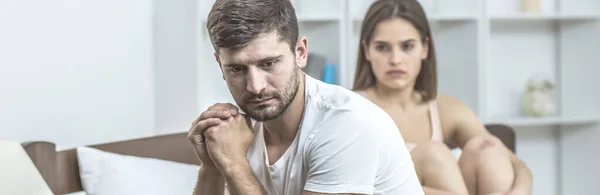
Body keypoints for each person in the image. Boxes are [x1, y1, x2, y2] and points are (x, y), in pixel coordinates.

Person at [187, 0, 424, 194]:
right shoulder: (237, 133)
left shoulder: (348, 124)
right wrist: (212, 165)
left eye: (268, 63)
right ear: (220, 65)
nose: (255, 87)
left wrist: (233, 164)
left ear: (300, 53)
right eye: (236, 69)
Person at [352, 0, 533, 195]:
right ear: (366, 51)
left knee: (487, 148)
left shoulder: (444, 108)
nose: (396, 59)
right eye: (382, 47)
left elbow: (516, 165)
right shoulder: (351, 110)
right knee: (434, 153)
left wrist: (520, 190)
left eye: (407, 46)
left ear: (425, 48)